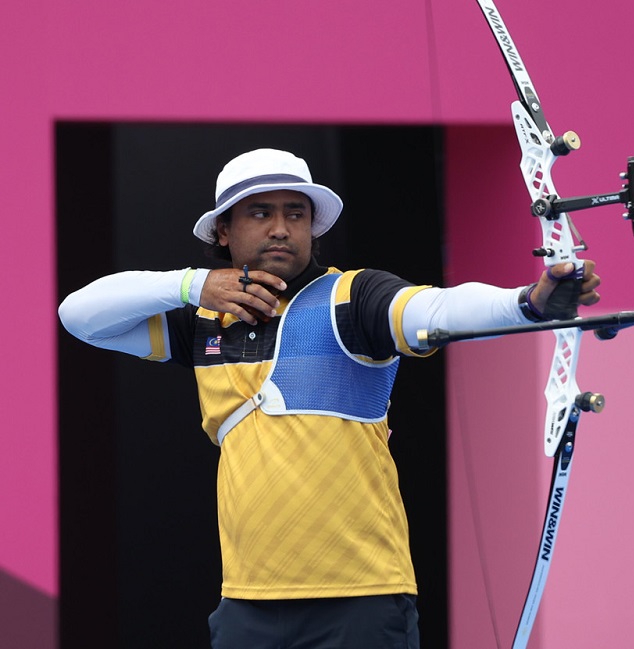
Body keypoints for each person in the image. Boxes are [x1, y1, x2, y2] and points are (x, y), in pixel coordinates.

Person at [58, 148, 600, 649]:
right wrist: (192, 285)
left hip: (361, 600)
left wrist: (527, 303)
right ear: (223, 229)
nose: (280, 228)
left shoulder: (354, 298)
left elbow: (435, 310)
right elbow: (79, 316)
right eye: (260, 213)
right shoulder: (201, 322)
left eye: (296, 214)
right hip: (246, 602)